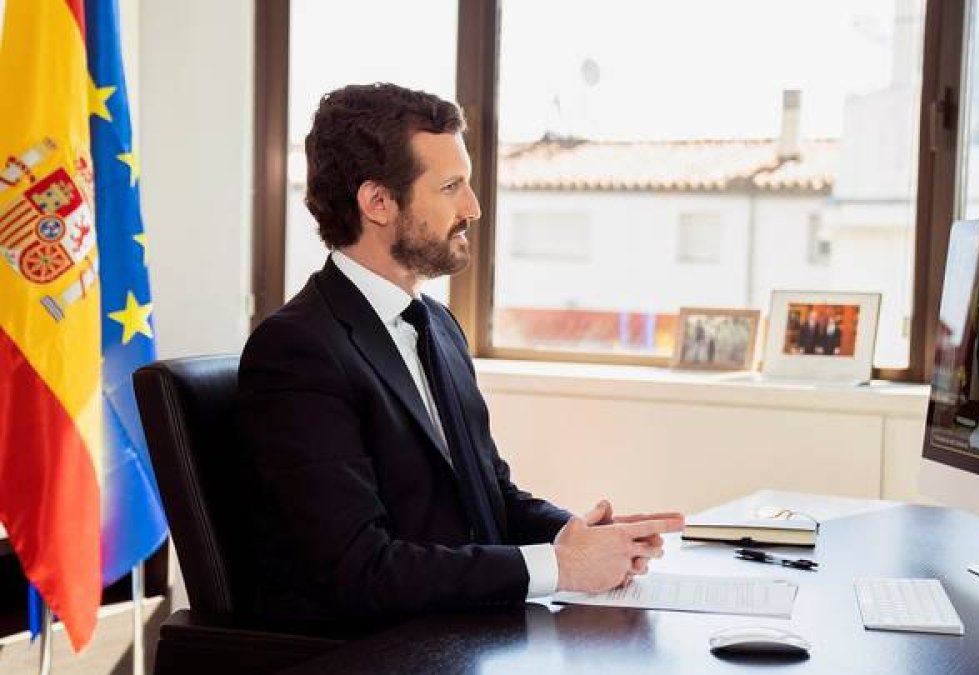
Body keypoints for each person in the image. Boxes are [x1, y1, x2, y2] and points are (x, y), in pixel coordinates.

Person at [237, 83, 683, 625]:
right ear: (377, 203)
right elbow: (360, 569)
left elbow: (490, 491)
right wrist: (560, 568)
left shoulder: (439, 327)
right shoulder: (298, 350)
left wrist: (574, 536)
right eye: (451, 186)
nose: (473, 207)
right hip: (375, 649)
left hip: (462, 626)